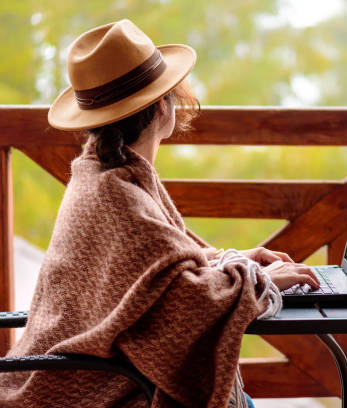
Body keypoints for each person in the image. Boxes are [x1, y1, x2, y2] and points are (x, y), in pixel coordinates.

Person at [0, 19, 319, 408]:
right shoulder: (120, 200)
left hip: (60, 376)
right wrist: (258, 281)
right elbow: (184, 309)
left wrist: (224, 261)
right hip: (91, 389)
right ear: (161, 108)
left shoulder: (99, 174)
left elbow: (152, 277)